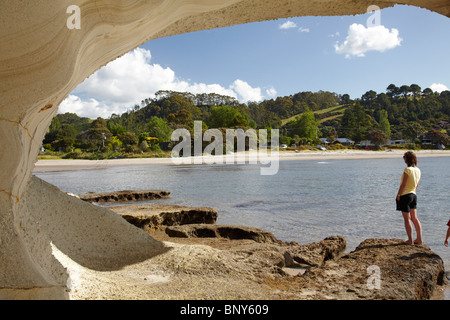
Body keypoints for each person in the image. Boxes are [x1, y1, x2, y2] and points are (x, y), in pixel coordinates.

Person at [396, 151, 423, 245]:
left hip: (405, 195)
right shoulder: (418, 170)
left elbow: (403, 184)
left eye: (404, 158)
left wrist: (398, 194)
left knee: (407, 219)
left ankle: (410, 240)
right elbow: (417, 185)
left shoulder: (407, 170)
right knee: (415, 218)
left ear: (406, 159)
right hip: (413, 195)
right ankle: (419, 239)